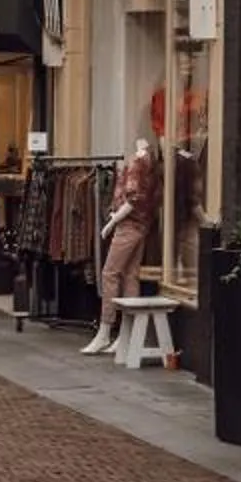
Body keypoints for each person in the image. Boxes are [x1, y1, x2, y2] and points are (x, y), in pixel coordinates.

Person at [84, 133, 158, 356]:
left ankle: (105, 330)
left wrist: (113, 221)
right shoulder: (149, 160)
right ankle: (125, 334)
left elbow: (134, 199)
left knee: (110, 273)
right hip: (141, 225)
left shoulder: (139, 161)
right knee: (129, 275)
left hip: (129, 225)